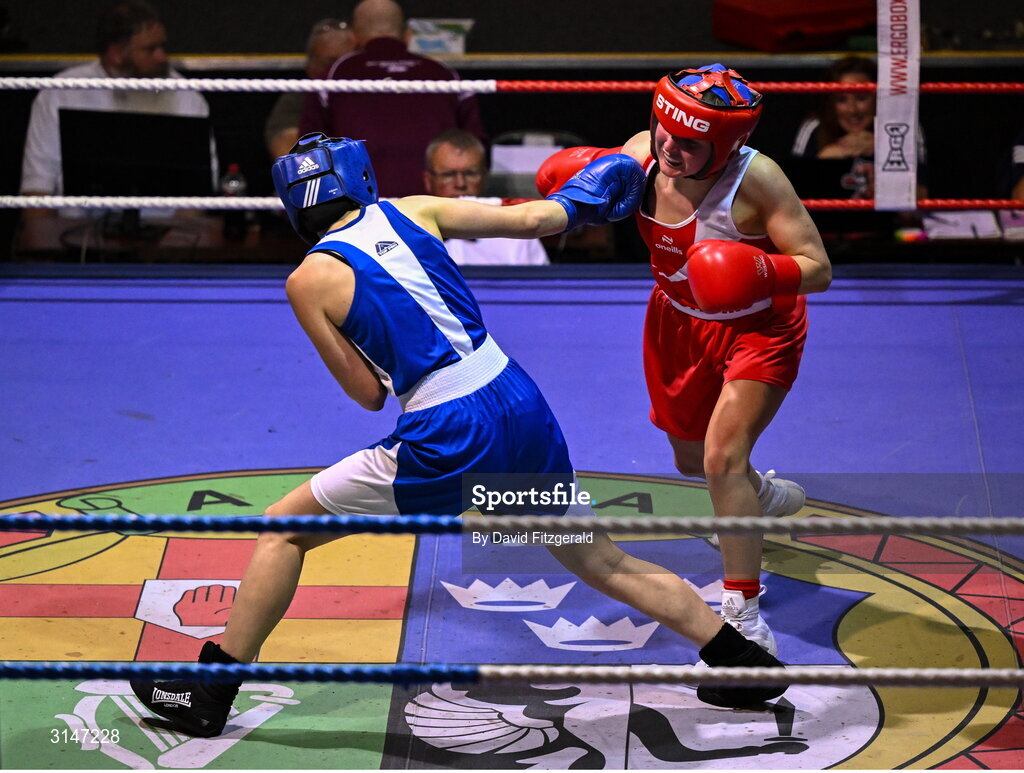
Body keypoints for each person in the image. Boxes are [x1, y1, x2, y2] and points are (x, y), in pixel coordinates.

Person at [128, 132, 789, 738]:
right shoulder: (414, 208)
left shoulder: (307, 280)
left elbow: (366, 394)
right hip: (520, 402)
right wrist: (605, 183)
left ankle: (209, 692)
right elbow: (540, 217)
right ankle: (741, 660)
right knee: (603, 561)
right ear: (358, 178)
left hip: (450, 431)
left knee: (283, 529)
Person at [536, 64, 833, 656]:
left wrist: (757, 269)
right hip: (677, 323)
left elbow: (818, 269)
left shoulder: (759, 181)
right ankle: (762, 496)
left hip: (759, 328)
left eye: (690, 142)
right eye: (664, 131)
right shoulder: (641, 156)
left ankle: (743, 612)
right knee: (692, 460)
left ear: (726, 145)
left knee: (723, 458)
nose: (670, 148)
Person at [19, 0, 212, 218]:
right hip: (77, 239)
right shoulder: (61, 92)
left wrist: (174, 249)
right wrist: (47, 249)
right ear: (116, 53)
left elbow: (196, 197)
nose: (162, 57)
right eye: (150, 49)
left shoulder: (186, 97)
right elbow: (37, 188)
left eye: (163, 46)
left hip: (165, 239)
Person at [298, 0, 486, 197]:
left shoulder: (333, 75)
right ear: (408, 35)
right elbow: (475, 145)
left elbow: (307, 150)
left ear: (354, 37)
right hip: (435, 208)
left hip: (360, 208)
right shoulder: (445, 74)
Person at [791, 55, 928, 201]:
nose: (852, 110)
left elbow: (917, 205)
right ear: (831, 103)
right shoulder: (815, 126)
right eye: (842, 99)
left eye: (861, 98)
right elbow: (792, 201)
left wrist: (885, 148)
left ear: (879, 98)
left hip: (891, 223)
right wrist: (827, 157)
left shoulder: (901, 127)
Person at [424, 129, 549, 266]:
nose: (460, 184)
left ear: (485, 177)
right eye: (448, 175)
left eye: (470, 173)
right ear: (428, 180)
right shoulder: (405, 230)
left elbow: (541, 286)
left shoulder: (518, 234)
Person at [264, 18, 354, 161]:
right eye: (330, 63)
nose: (338, 70)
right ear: (311, 68)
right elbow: (290, 156)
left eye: (346, 62)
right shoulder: (297, 99)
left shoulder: (372, 92)